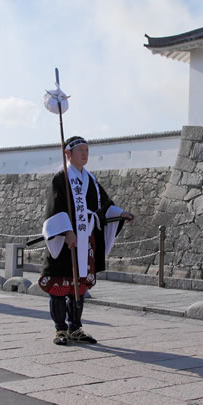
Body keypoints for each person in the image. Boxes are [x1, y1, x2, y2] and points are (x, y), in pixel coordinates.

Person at [39, 136, 133, 345]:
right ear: (68, 154)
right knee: (61, 283)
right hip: (65, 240)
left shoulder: (91, 180)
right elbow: (55, 207)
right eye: (80, 150)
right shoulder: (60, 179)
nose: (84, 153)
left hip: (85, 239)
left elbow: (105, 205)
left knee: (78, 286)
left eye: (86, 150)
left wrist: (120, 213)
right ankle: (60, 329)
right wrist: (66, 231)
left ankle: (76, 327)